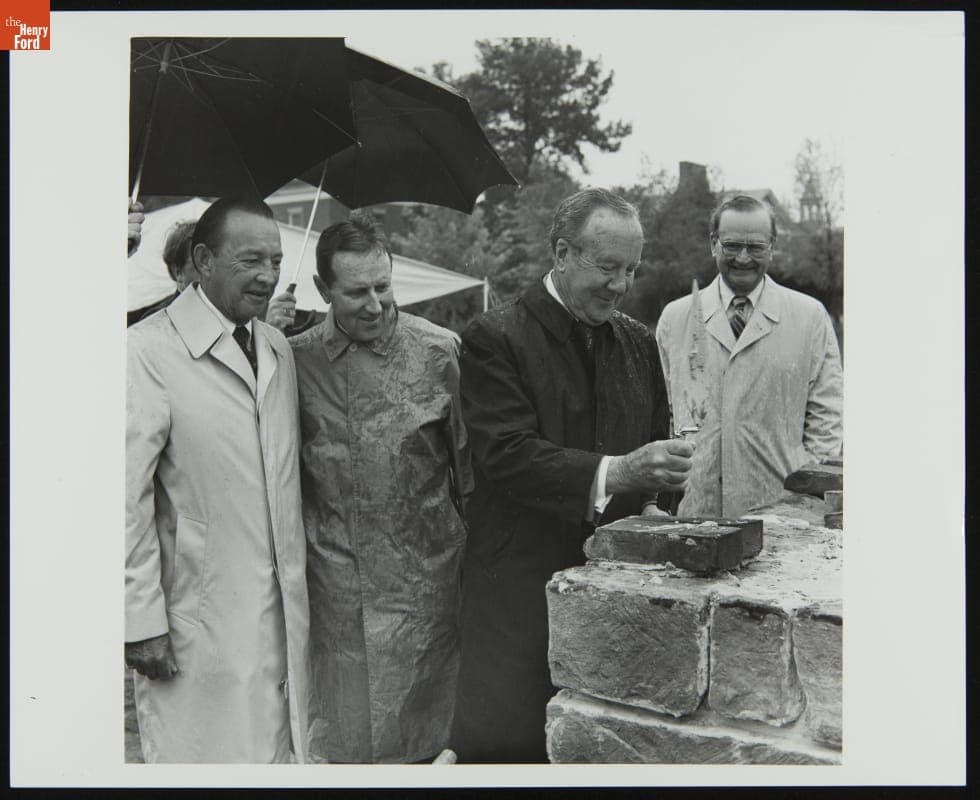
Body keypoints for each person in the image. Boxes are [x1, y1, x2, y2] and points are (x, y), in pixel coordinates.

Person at [451, 188, 695, 763]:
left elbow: (655, 448)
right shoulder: (495, 338)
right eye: (608, 267)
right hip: (518, 606)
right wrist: (624, 471)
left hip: (617, 602)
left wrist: (659, 499)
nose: (621, 285)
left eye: (631, 270)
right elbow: (507, 456)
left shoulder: (637, 341)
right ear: (562, 253)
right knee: (514, 758)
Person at [125, 197, 310, 763]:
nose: (267, 276)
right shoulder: (146, 352)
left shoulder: (276, 347)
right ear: (202, 260)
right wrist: (139, 620)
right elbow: (122, 501)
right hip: (194, 621)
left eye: (276, 261)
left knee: (279, 755)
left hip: (279, 610)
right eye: (251, 260)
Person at [289, 212, 472, 764]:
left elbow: (469, 480)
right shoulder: (292, 360)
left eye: (384, 286)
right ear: (322, 289)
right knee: (341, 750)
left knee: (426, 749)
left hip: (427, 596)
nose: (374, 305)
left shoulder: (440, 352)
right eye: (356, 292)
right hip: (336, 599)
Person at [655, 193, 843, 518]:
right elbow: (660, 414)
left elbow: (827, 417)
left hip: (785, 509)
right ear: (714, 244)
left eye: (755, 247)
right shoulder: (676, 317)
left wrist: (807, 491)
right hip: (695, 508)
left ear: (772, 246)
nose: (743, 258)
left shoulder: (810, 316)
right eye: (731, 245)